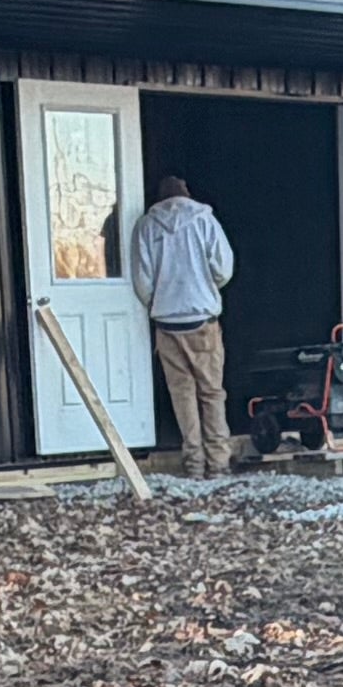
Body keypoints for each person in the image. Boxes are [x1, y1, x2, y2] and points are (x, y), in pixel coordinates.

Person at [127, 165, 237, 475]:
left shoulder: (147, 226)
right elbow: (223, 269)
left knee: (183, 394)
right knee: (212, 391)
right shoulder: (204, 221)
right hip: (202, 320)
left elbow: (142, 281)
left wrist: (160, 302)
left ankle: (194, 463)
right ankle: (219, 462)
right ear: (187, 194)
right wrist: (205, 288)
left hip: (167, 324)